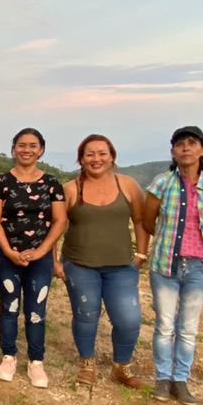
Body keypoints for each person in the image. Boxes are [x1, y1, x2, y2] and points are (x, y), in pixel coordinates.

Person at [142, 126, 203, 405]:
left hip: (199, 266)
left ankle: (180, 379)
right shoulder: (161, 184)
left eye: (192, 143)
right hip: (165, 264)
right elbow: (149, 221)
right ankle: (163, 377)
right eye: (180, 144)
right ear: (172, 151)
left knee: (188, 326)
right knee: (165, 324)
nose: (186, 148)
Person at [55, 134, 149, 392]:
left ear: (112, 156)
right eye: (89, 154)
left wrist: (141, 254)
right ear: (81, 159)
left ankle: (122, 366)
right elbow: (57, 226)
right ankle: (87, 363)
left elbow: (141, 221)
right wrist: (55, 261)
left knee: (128, 319)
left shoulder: (127, 185)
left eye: (102, 153)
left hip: (121, 265)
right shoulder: (71, 189)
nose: (96, 159)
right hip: (79, 263)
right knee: (87, 315)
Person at [0, 128, 68, 388]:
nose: (26, 150)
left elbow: (60, 220)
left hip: (40, 258)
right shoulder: (0, 182)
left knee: (36, 310)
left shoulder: (52, 184)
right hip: (5, 256)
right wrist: (9, 251)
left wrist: (42, 252)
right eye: (21, 145)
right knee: (9, 306)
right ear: (13, 148)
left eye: (33, 145)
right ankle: (8, 356)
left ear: (41, 149)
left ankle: (36, 362)